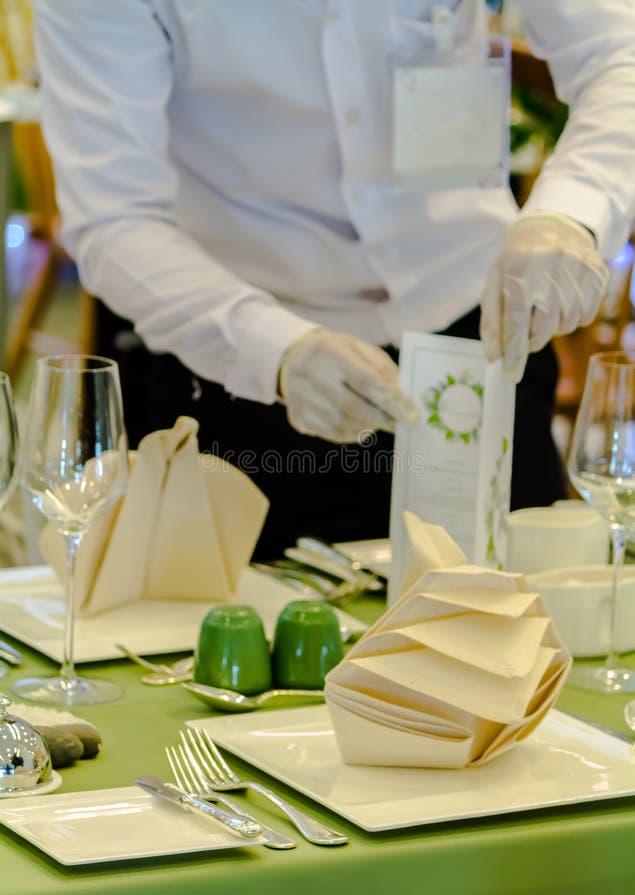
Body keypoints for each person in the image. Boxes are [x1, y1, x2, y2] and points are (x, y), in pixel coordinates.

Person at [33, 1, 634, 557]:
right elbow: (115, 215)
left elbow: (618, 52)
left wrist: (571, 213)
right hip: (240, 373)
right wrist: (274, 351)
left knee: (521, 645)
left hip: (478, 348)